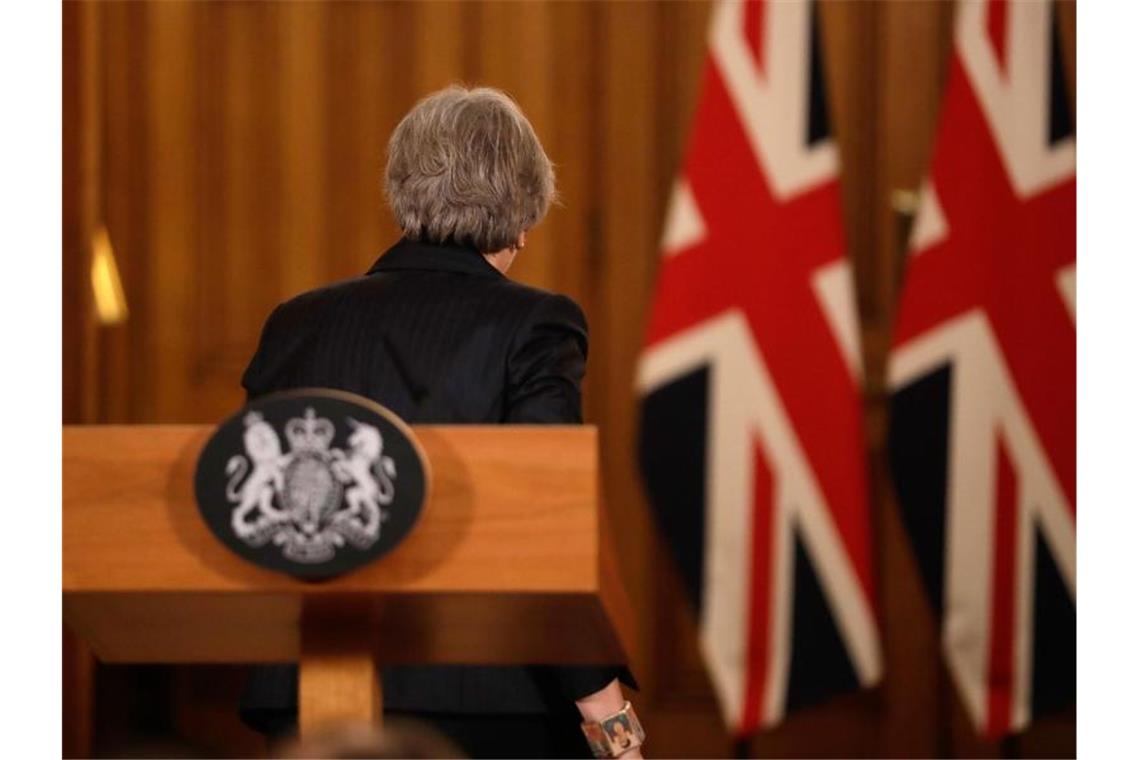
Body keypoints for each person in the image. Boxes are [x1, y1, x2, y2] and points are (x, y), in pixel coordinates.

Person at [238, 86, 642, 759]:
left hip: (306, 693)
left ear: (404, 194)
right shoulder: (536, 323)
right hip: (487, 702)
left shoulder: (295, 323)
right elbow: (540, 520)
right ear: (523, 214)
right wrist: (606, 713)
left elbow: (252, 515)